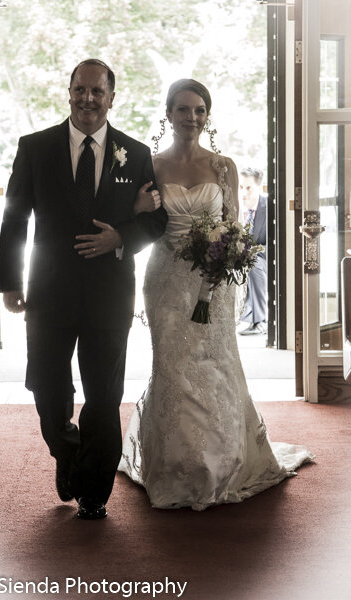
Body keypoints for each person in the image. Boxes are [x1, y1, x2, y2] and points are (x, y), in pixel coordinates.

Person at [118, 79, 314, 510]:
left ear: (207, 116)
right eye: (183, 109)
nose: (192, 117)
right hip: (165, 278)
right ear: (167, 114)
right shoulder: (149, 165)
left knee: (216, 364)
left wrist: (228, 255)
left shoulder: (223, 166)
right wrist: (135, 212)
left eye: (199, 110)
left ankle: (221, 460)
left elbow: (233, 225)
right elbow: (140, 222)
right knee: (171, 365)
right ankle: (173, 464)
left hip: (214, 278)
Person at [0, 59, 168, 520]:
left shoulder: (135, 153)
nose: (88, 99)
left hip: (109, 295)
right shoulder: (35, 148)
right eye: (80, 89)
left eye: (97, 91)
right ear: (68, 92)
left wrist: (121, 238)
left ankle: (93, 491)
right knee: (48, 391)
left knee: (104, 394)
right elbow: (14, 218)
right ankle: (67, 452)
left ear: (113, 97)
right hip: (48, 294)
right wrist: (9, 281)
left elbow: (156, 219)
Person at [238, 167, 267, 336]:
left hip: (265, 258)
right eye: (241, 187)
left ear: (259, 188)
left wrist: (251, 251)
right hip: (238, 256)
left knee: (253, 264)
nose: (244, 192)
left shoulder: (270, 208)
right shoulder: (235, 207)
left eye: (248, 188)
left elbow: (276, 243)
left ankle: (260, 321)